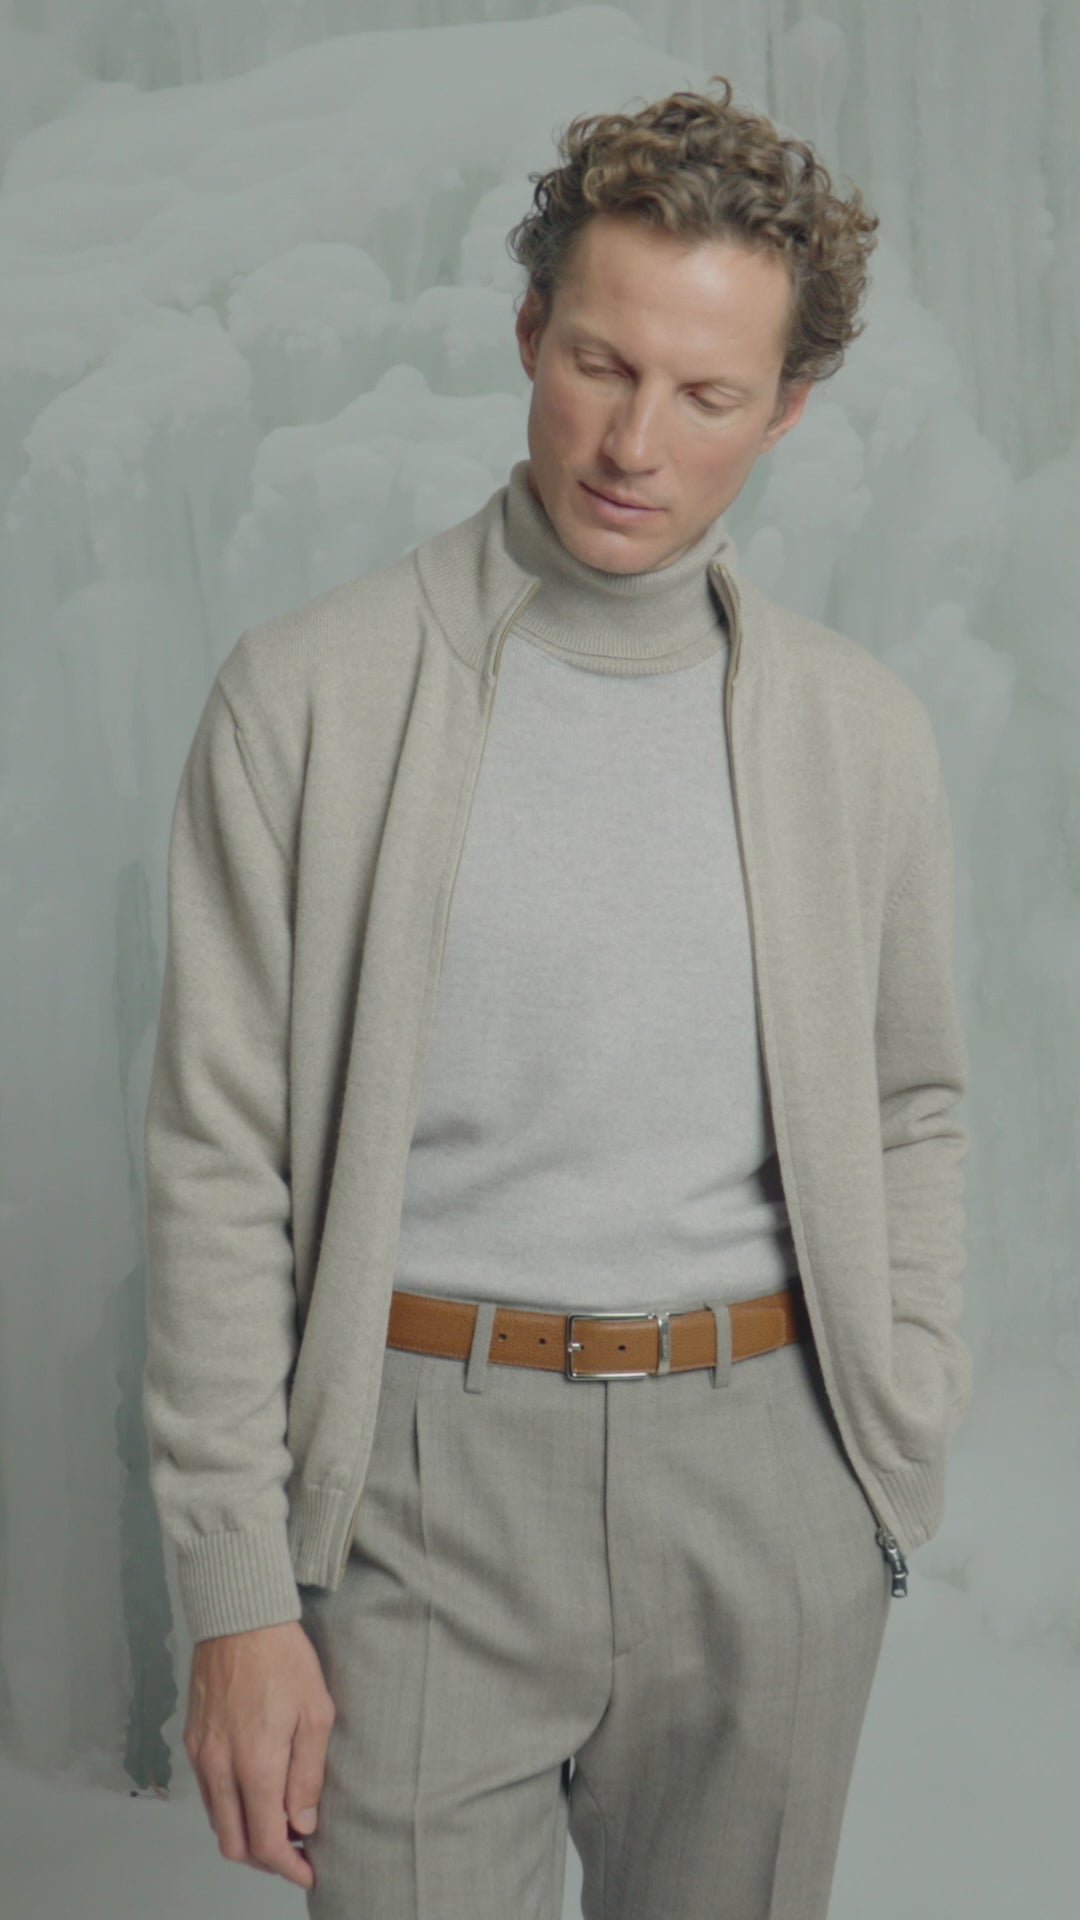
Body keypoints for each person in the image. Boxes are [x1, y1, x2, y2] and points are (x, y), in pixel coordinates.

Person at [143, 75, 972, 1920]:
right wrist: (236, 1591)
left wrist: (888, 1446)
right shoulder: (307, 698)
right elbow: (216, 1162)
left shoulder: (860, 734)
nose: (634, 443)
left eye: (708, 396)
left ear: (789, 409)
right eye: (602, 363)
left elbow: (913, 1102)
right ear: (530, 328)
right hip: (418, 1482)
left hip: (772, 1473)